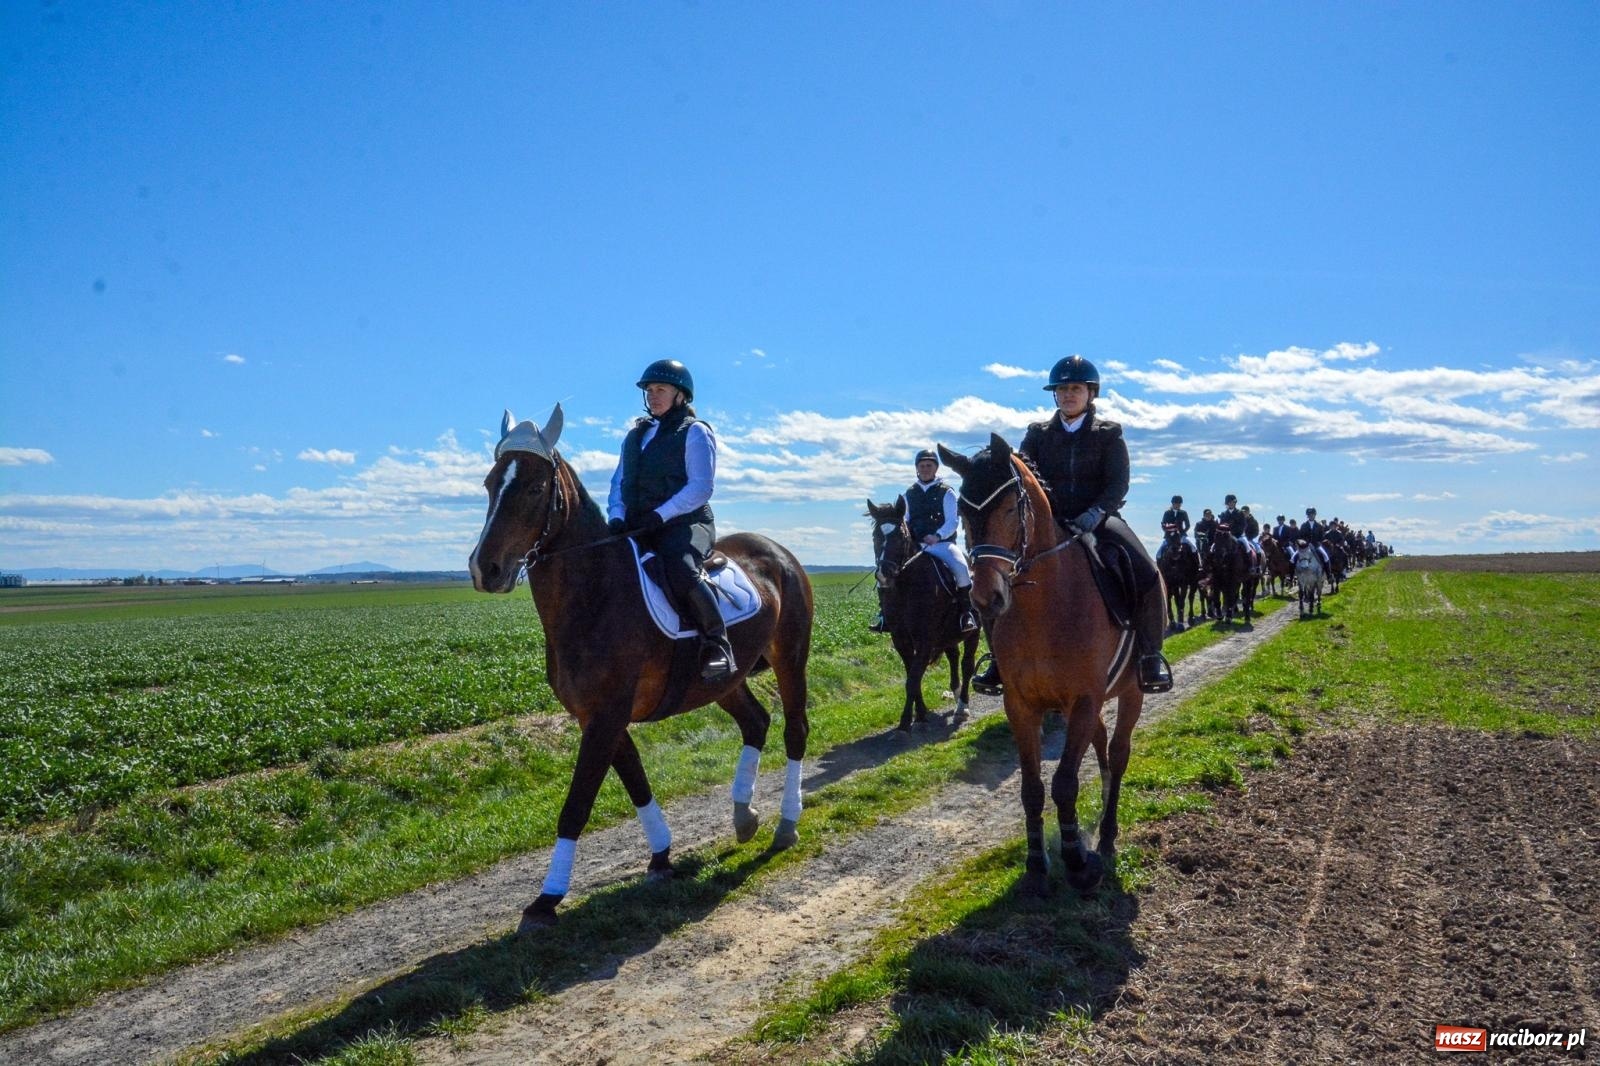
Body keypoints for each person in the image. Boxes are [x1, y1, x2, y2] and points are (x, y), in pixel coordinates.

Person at [972, 354, 1173, 695]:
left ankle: (1150, 656)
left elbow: (1118, 483)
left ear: (1090, 393)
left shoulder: (1108, 435)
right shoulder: (1037, 434)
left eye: (1075, 388)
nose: (1068, 395)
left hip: (1098, 519)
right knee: (996, 574)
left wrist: (1096, 513)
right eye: (1062, 389)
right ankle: (997, 659)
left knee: (1146, 571)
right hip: (1048, 523)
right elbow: (1025, 479)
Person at [607, 359, 735, 683]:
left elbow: (701, 487)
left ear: (681, 395)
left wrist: (659, 515)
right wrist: (617, 517)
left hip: (687, 523)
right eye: (649, 390)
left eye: (660, 389)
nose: (653, 395)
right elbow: (618, 482)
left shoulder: (695, 432)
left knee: (680, 568)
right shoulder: (634, 436)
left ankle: (717, 647)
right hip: (639, 525)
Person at [872, 450, 980, 635]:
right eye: (921, 466)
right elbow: (903, 521)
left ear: (935, 468)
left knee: (962, 569)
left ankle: (965, 614)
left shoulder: (946, 492)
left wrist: (937, 535)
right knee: (885, 571)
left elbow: (952, 521)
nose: (925, 469)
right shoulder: (909, 494)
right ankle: (884, 615)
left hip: (942, 544)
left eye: (929, 465)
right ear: (917, 469)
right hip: (916, 545)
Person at [1156, 494, 1191, 560]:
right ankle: (1158, 567)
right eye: (1176, 503)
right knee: (1158, 553)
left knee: (1193, 548)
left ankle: (1198, 564)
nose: (1178, 505)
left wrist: (1182, 532)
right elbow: (1163, 524)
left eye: (1179, 503)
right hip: (1169, 536)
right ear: (1173, 503)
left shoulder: (1183, 513)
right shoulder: (1167, 513)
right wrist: (1167, 531)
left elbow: (1188, 525)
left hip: (1181, 535)